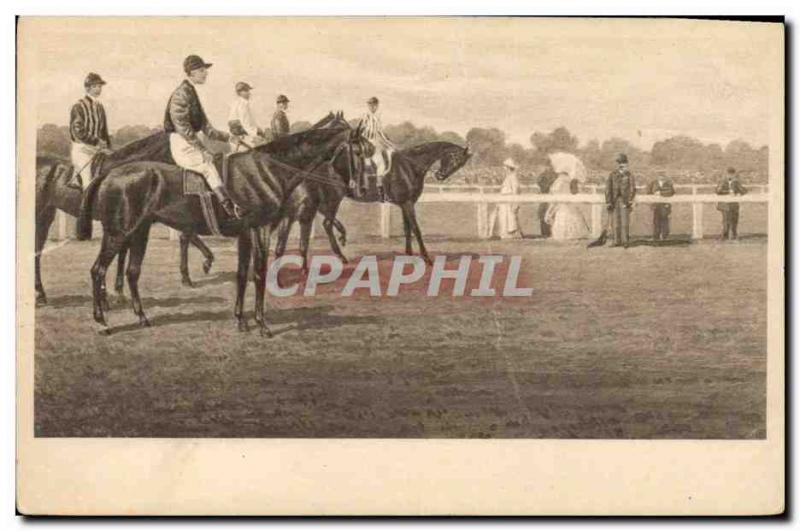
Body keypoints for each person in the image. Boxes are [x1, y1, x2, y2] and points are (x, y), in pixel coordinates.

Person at [164, 54, 238, 218]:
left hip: (192, 141)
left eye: (205, 70)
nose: (206, 74)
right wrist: (202, 149)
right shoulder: (181, 94)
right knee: (207, 167)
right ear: (191, 73)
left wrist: (229, 137)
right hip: (182, 143)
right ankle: (228, 207)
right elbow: (183, 128)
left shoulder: (191, 92)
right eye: (202, 70)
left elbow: (207, 128)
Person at [69, 72, 113, 188]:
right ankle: (85, 205)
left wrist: (107, 146)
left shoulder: (100, 107)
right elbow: (77, 131)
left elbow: (104, 131)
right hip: (82, 149)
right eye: (95, 86)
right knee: (88, 183)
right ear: (87, 88)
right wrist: (96, 141)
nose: (98, 89)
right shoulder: (78, 106)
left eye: (100, 86)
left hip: (98, 150)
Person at [359, 96, 395, 200]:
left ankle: (380, 191)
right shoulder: (365, 116)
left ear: (377, 106)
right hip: (365, 143)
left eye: (374, 105)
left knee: (381, 165)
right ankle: (363, 187)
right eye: (370, 105)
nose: (372, 107)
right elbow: (360, 130)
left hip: (375, 144)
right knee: (366, 164)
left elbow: (380, 132)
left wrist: (389, 143)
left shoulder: (378, 117)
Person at [545, 171, 589, 240]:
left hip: (563, 206)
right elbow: (575, 192)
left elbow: (555, 196)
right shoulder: (572, 180)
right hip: (570, 205)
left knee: (564, 218)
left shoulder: (559, 181)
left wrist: (550, 211)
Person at [605, 153, 636, 248]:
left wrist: (630, 200)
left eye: (623, 163)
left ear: (626, 164)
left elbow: (632, 188)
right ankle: (616, 241)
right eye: (619, 163)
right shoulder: (612, 174)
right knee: (615, 222)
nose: (621, 165)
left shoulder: (629, 175)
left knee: (625, 222)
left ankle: (625, 241)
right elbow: (608, 189)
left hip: (625, 201)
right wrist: (609, 201)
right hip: (614, 201)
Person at [487, 158, 522, 239]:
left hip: (509, 200)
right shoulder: (508, 177)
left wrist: (515, 203)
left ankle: (510, 234)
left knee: (509, 217)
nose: (504, 169)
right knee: (503, 217)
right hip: (504, 200)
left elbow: (515, 190)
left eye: (505, 167)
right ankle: (503, 233)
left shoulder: (513, 177)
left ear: (509, 168)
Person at [228, 81, 266, 151]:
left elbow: (249, 121)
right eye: (245, 91)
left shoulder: (238, 103)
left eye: (248, 90)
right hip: (243, 136)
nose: (249, 93)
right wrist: (255, 135)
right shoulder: (242, 104)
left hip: (241, 135)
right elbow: (245, 123)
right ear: (239, 93)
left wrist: (257, 129)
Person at [716, 167, 747, 240]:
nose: (731, 176)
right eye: (729, 174)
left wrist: (739, 192)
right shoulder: (722, 181)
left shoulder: (736, 182)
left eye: (732, 174)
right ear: (726, 174)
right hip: (725, 204)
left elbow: (744, 191)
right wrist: (728, 192)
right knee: (726, 220)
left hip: (734, 204)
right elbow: (718, 191)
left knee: (734, 220)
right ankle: (724, 235)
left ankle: (734, 235)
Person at [647, 170, 675, 241]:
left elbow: (671, 192)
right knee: (656, 220)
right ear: (657, 176)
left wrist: (661, 193)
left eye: (662, 175)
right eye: (659, 175)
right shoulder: (653, 183)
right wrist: (653, 198)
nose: (661, 177)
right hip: (656, 205)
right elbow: (648, 192)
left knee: (664, 220)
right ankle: (656, 236)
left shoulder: (668, 183)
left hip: (665, 205)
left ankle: (664, 236)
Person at [536, 163, 558, 238]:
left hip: (548, 198)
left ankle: (547, 234)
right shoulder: (553, 175)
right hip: (546, 198)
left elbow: (540, 183)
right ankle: (546, 233)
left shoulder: (553, 175)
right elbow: (540, 183)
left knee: (546, 215)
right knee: (544, 215)